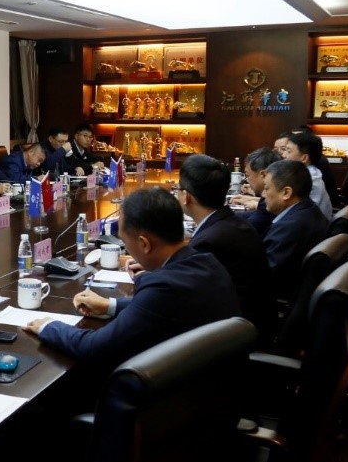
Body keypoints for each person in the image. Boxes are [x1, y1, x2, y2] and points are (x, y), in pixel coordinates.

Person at [24, 186, 238, 376]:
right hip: (213, 388)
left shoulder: (163, 287)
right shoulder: (207, 262)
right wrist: (110, 305)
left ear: (144, 244)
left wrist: (49, 326)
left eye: (125, 241)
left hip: (168, 400)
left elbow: (94, 347)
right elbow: (164, 307)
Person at [178, 154, 273, 337]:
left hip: (231, 337)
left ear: (186, 197)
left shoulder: (210, 242)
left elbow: (184, 298)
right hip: (249, 325)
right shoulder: (232, 224)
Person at [261, 159, 330, 298]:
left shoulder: (289, 227)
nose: (263, 194)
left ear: (286, 193)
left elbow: (263, 277)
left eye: (267, 188)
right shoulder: (309, 209)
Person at [280, 131, 333, 218]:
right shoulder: (311, 172)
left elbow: (281, 206)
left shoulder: (304, 179)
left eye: (288, 151)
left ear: (304, 158)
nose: (283, 155)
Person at [231, 147, 280, 236]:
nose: (247, 180)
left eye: (247, 175)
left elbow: (247, 232)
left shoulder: (272, 199)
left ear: (263, 175)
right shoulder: (268, 196)